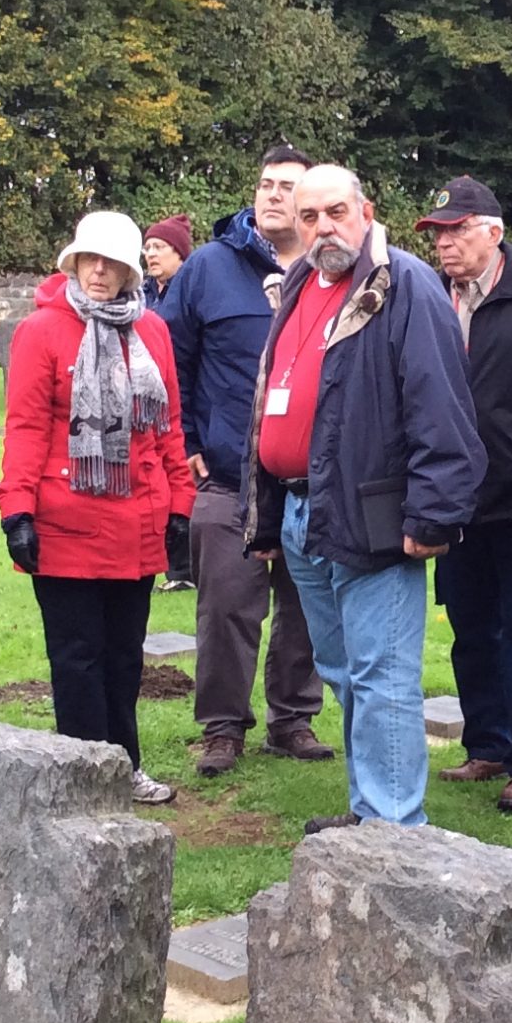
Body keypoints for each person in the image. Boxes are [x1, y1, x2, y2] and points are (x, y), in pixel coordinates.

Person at [243, 164, 482, 832]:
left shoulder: (404, 285)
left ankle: (395, 830)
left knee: (382, 679)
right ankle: (368, 807)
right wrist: (264, 504)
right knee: (344, 672)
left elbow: (441, 406)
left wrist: (433, 513)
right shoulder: (299, 282)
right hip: (302, 511)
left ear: (367, 211)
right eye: (310, 216)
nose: (323, 227)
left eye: (336, 212)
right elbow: (273, 395)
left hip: (374, 513)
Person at [0, 213, 197, 805]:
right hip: (66, 519)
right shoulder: (42, 331)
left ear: (132, 269)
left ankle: (124, 764)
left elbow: (167, 428)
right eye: (90, 260)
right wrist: (17, 512)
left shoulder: (152, 331)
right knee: (77, 656)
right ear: (74, 263)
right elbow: (26, 427)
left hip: (136, 519)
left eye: (111, 262)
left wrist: (180, 502)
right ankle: (83, 773)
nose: (99, 272)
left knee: (123, 655)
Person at [157, 146, 330, 775]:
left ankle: (293, 719)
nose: (274, 195)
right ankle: (223, 727)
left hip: (311, 479)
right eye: (265, 184)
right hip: (228, 475)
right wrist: (189, 445)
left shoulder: (331, 270)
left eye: (288, 186)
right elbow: (169, 357)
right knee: (226, 605)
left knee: (305, 605)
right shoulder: (208, 268)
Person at [419, 175, 512, 814]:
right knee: (469, 628)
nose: (445, 246)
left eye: (457, 231)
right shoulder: (427, 296)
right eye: (437, 235)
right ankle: (486, 743)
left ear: (493, 231)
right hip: (456, 501)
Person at [143, 214, 192, 302]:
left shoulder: (192, 292)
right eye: (147, 248)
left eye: (158, 247)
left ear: (179, 253)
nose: (150, 254)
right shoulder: (139, 295)